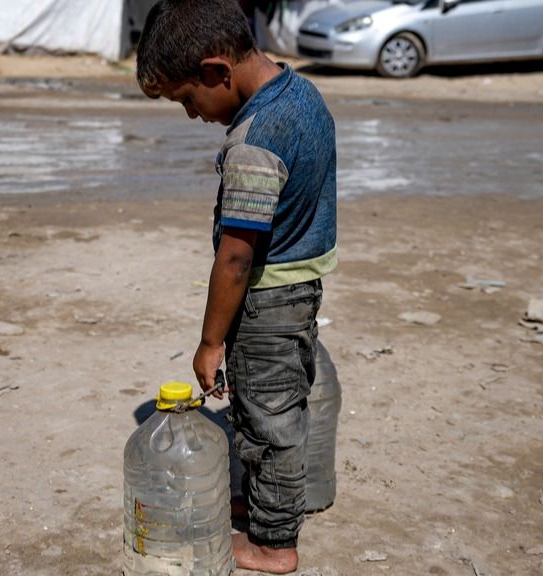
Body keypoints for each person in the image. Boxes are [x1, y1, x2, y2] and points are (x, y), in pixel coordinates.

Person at [136, 0, 337, 573]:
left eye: (186, 100)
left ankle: (274, 543)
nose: (192, 115)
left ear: (216, 72)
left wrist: (209, 341)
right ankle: (259, 502)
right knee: (264, 404)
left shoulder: (255, 140)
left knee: (271, 420)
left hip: (268, 299)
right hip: (299, 285)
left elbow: (236, 257)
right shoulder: (302, 95)